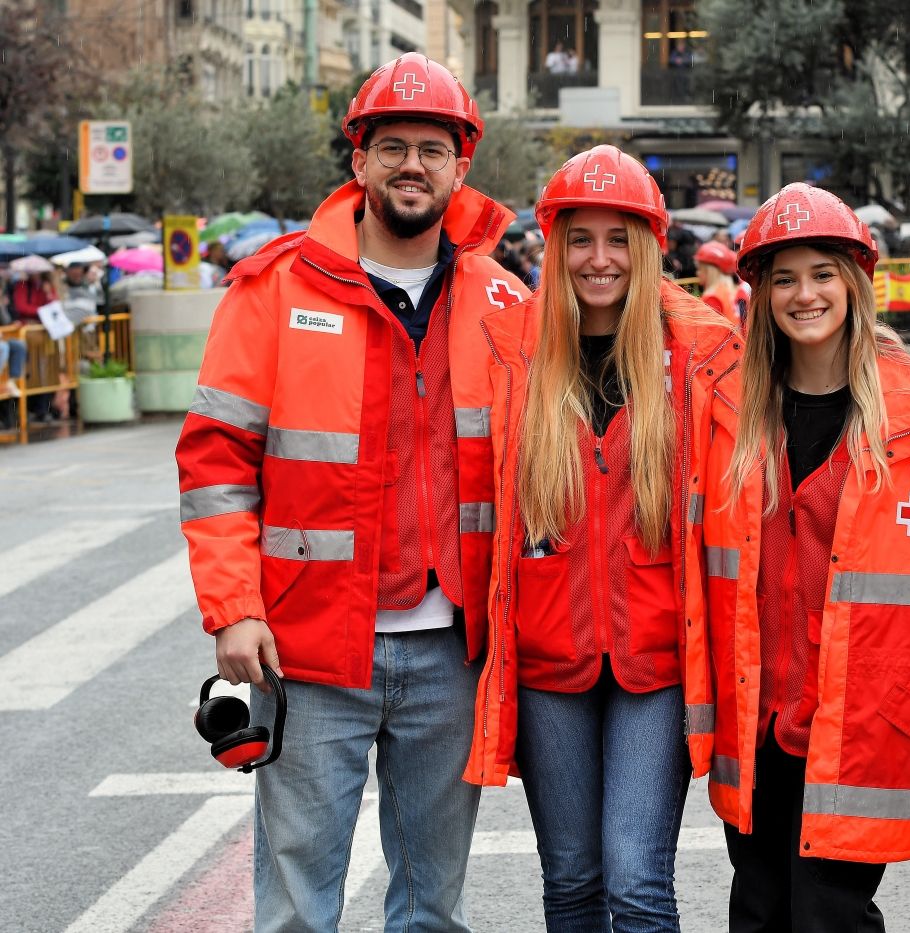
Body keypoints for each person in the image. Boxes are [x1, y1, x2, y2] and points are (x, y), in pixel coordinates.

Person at [175, 52, 526, 932]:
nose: (414, 165)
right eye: (393, 145)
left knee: (432, 908)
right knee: (298, 906)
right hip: (309, 650)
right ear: (359, 160)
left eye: (433, 149)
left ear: (461, 165)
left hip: (452, 652)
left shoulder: (506, 301)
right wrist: (233, 610)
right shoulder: (276, 287)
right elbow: (217, 459)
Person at [464, 144, 741, 932]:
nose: (599, 258)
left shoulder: (704, 351)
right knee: (574, 882)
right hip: (549, 660)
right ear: (554, 247)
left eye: (618, 238)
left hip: (656, 665)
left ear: (649, 247)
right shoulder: (510, 349)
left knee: (636, 880)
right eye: (580, 238)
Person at [704, 184, 910, 933]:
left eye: (823, 273)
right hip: (757, 721)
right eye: (786, 278)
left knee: (829, 914)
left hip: (858, 724)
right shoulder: (730, 412)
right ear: (762, 293)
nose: (806, 294)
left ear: (855, 284)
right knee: (759, 908)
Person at [694, 240, 741, 326]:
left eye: (700, 269)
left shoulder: (712, 298)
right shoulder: (729, 290)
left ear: (709, 271)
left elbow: (707, 333)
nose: (697, 273)